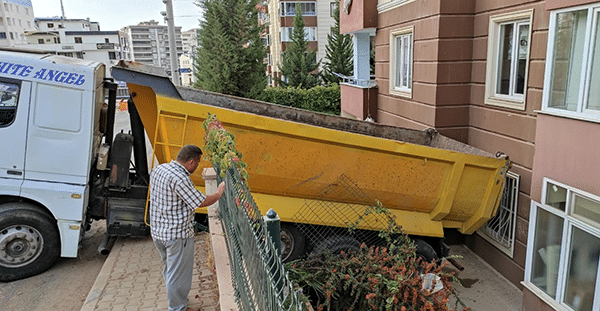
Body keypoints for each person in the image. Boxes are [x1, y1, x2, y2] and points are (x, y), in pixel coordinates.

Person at [149, 144, 225, 311]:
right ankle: (177, 307)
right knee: (178, 274)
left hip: (158, 232)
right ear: (191, 161)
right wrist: (218, 193)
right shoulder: (180, 178)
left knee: (169, 270)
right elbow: (201, 202)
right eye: (197, 163)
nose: (197, 167)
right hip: (176, 235)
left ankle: (177, 300)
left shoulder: (160, 169)